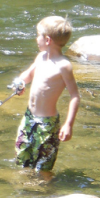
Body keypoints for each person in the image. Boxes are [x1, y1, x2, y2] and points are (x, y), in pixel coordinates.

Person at [9, 16, 81, 171]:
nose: (36, 39)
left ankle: (44, 191)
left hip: (47, 124)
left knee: (43, 165)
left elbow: (75, 96)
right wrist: (19, 83)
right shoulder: (41, 57)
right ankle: (24, 190)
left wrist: (69, 124)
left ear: (47, 40)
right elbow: (27, 76)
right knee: (22, 159)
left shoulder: (64, 66)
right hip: (28, 118)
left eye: (38, 35)